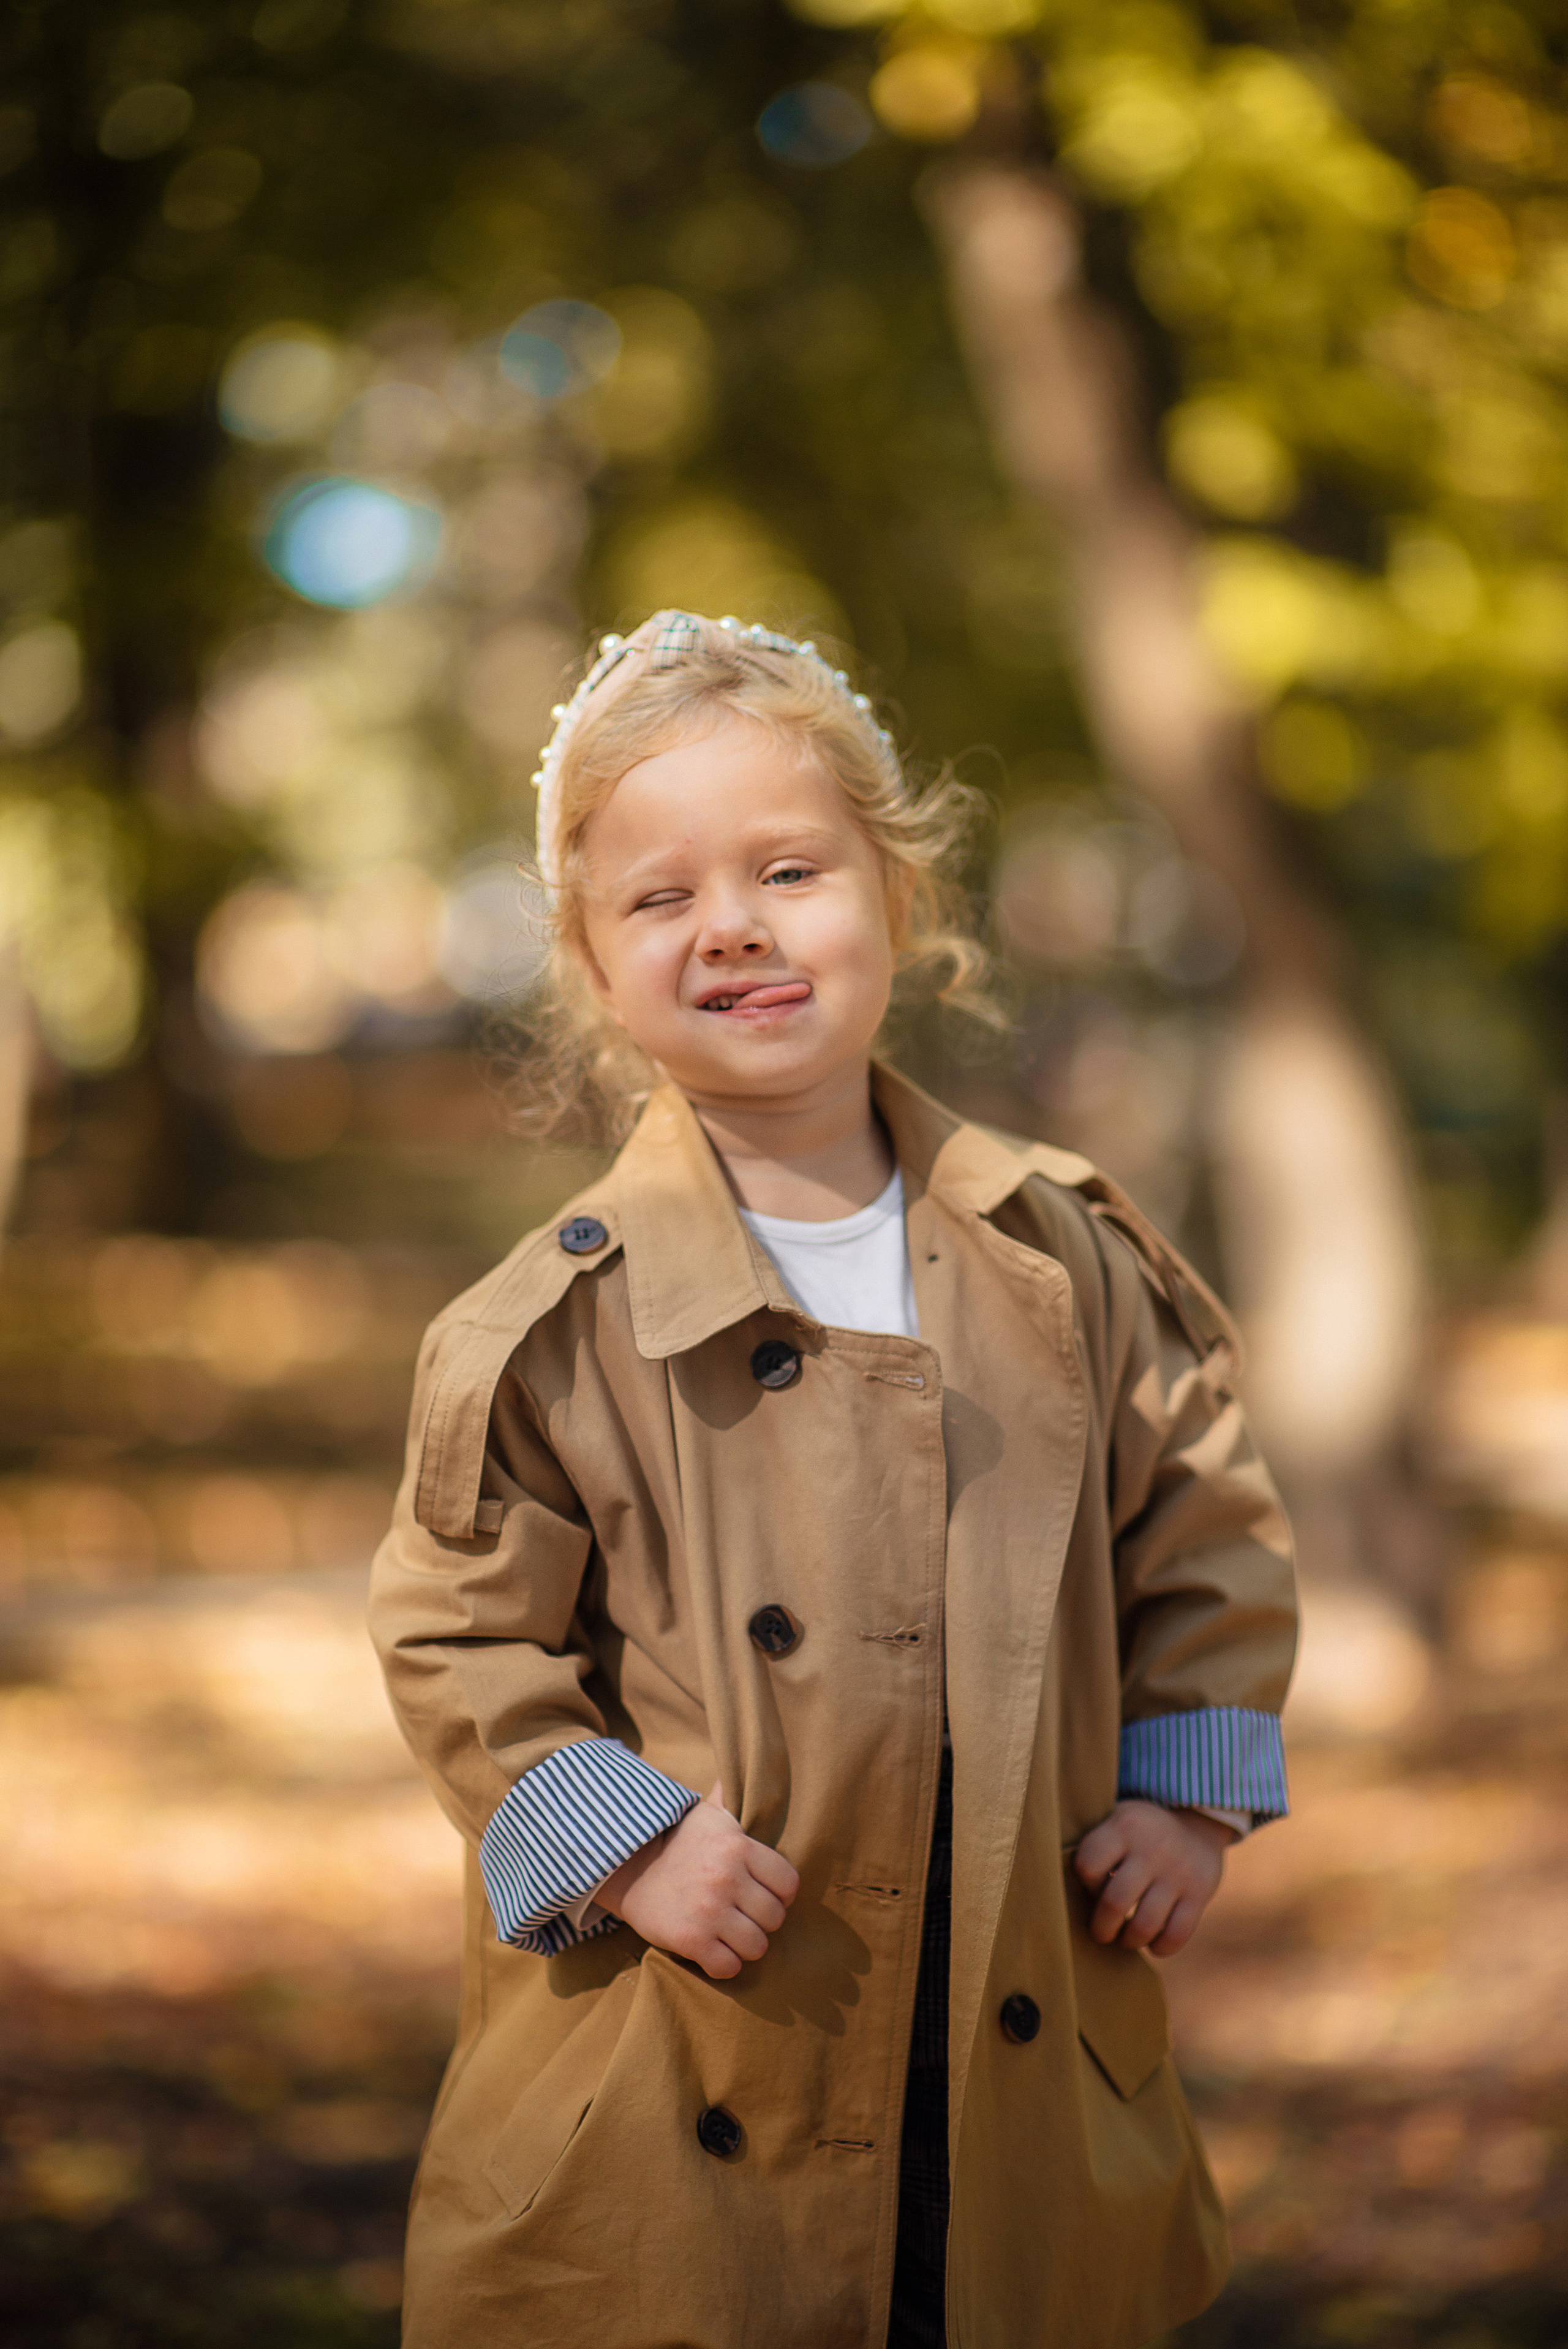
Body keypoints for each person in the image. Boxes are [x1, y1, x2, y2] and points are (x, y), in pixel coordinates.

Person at [368, 610, 1297, 2349]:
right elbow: (452, 1631)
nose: (732, 924)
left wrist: (1184, 1789)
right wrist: (626, 1842)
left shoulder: (1066, 1255)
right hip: (702, 2024)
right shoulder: (556, 1325)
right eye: (660, 899)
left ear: (897, 896)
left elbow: (1206, 1528)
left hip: (1014, 1979)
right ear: (588, 961)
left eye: (788, 868)